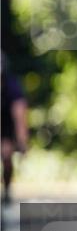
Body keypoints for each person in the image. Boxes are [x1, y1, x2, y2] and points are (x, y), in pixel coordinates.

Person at [1, 51, 29, 206]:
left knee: (6, 155)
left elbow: (20, 116)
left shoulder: (12, 86)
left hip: (6, 125)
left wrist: (22, 142)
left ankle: (6, 189)